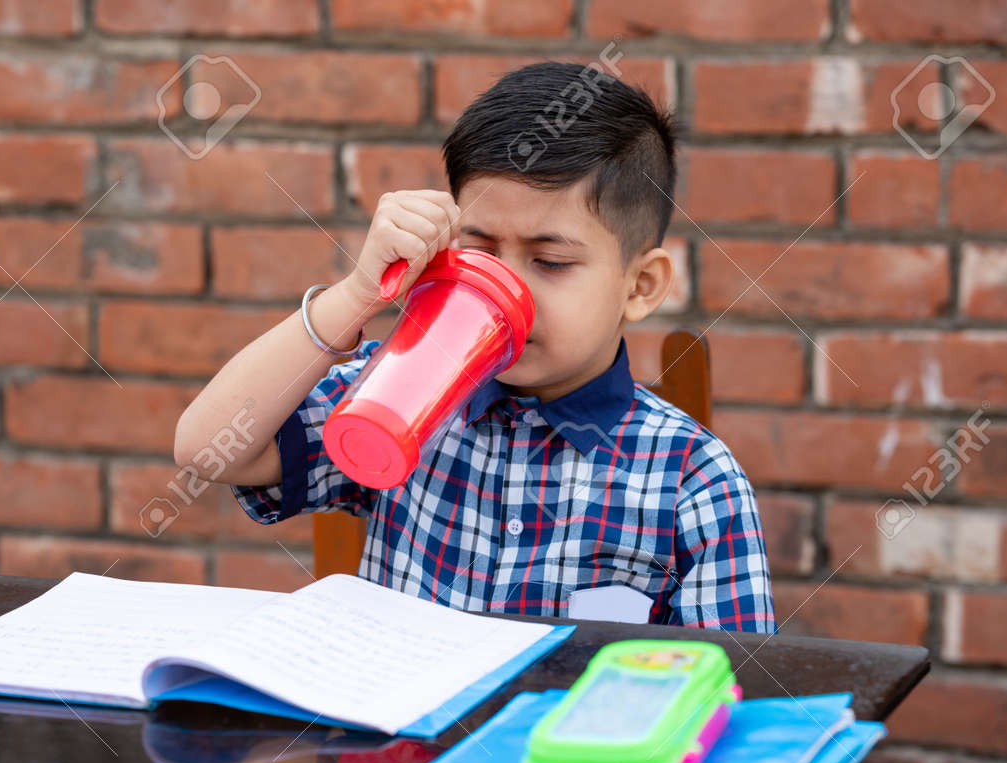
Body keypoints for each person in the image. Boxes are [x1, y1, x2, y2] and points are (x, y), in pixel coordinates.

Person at [175, 61, 774, 634]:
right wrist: (359, 294)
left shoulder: (692, 479)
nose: (506, 289)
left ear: (639, 286)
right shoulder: (404, 393)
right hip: (402, 733)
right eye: (480, 251)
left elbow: (733, 688)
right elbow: (207, 450)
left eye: (550, 261)